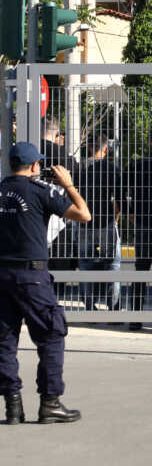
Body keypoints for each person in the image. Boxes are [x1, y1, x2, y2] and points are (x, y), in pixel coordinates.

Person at [0, 141, 91, 424]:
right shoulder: (42, 191)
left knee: (4, 341)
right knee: (51, 336)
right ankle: (50, 402)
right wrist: (69, 184)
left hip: (2, 275)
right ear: (36, 166)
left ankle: (12, 406)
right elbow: (84, 215)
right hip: (32, 277)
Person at [125, 128, 152, 332]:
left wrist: (130, 212)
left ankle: (136, 317)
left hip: (142, 222)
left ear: (150, 143)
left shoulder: (136, 165)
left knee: (140, 269)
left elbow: (120, 189)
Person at [76, 135, 123, 312]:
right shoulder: (112, 169)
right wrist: (116, 218)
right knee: (112, 266)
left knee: (86, 265)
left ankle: (89, 307)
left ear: (88, 147)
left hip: (83, 222)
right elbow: (118, 200)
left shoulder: (79, 167)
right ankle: (113, 307)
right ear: (105, 149)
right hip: (107, 222)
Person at [41, 118, 78, 273]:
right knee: (58, 265)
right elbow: (77, 179)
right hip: (57, 215)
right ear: (57, 133)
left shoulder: (29, 149)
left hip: (28, 215)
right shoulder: (62, 154)